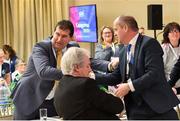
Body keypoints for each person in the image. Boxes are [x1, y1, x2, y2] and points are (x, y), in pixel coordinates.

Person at [95, 15, 179, 120]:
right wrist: (92, 76)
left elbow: (154, 73)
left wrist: (129, 86)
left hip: (156, 109)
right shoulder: (123, 50)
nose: (114, 33)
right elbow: (116, 77)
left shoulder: (149, 43)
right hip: (134, 108)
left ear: (125, 28)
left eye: (116, 29)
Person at [11, 20, 74, 120]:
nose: (58, 39)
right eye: (57, 34)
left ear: (71, 38)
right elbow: (44, 71)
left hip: (53, 102)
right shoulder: (41, 46)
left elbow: (88, 62)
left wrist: (108, 67)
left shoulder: (73, 49)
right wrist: (73, 74)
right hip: (29, 98)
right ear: (53, 33)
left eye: (64, 36)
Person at [54, 47, 124, 120]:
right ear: (76, 67)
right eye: (87, 66)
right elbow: (117, 107)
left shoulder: (60, 85)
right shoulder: (86, 84)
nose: (90, 70)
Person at [161, 22, 180, 94]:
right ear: (167, 35)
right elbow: (160, 69)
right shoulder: (163, 49)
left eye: (177, 31)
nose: (175, 33)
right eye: (171, 31)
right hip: (168, 85)